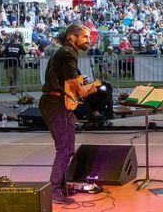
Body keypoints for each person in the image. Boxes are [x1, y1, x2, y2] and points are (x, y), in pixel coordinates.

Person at [39, 24, 100, 205]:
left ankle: (61, 187)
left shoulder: (65, 52)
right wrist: (83, 90)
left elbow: (69, 82)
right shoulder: (68, 53)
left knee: (68, 149)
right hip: (55, 103)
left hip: (57, 103)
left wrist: (82, 89)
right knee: (65, 149)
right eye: (85, 37)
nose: (89, 40)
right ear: (72, 37)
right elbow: (73, 81)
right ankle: (55, 190)